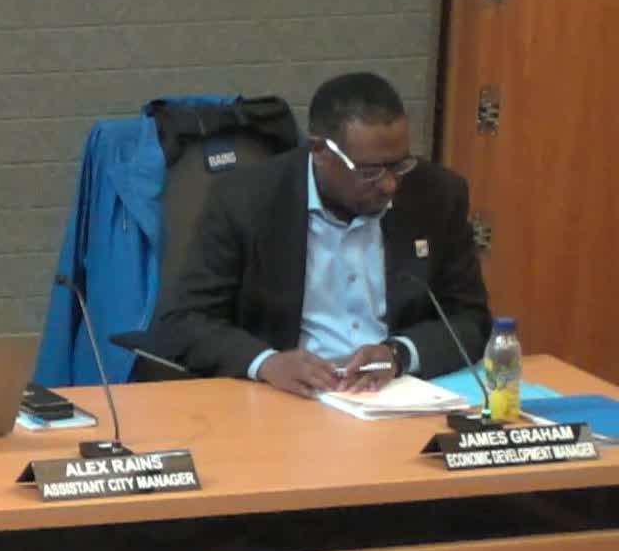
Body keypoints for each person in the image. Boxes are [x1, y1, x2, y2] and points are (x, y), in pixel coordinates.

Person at [154, 71, 490, 398]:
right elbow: (187, 320)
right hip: (287, 397)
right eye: (370, 171)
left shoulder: (436, 195)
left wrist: (398, 353)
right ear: (319, 152)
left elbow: (470, 320)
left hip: (397, 394)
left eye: (399, 165)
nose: (390, 185)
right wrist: (267, 363)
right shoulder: (245, 200)